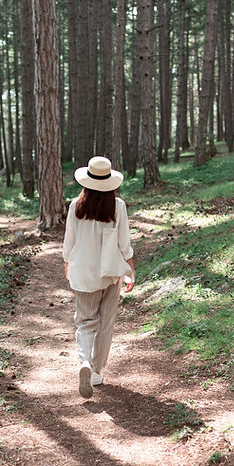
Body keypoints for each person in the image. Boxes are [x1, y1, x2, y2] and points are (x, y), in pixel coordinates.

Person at [62, 156, 135, 399]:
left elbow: (69, 242)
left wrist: (67, 263)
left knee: (85, 322)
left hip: (84, 273)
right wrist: (131, 271)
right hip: (110, 273)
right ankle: (95, 371)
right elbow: (124, 245)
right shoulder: (118, 207)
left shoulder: (76, 206)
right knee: (106, 323)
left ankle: (84, 361)